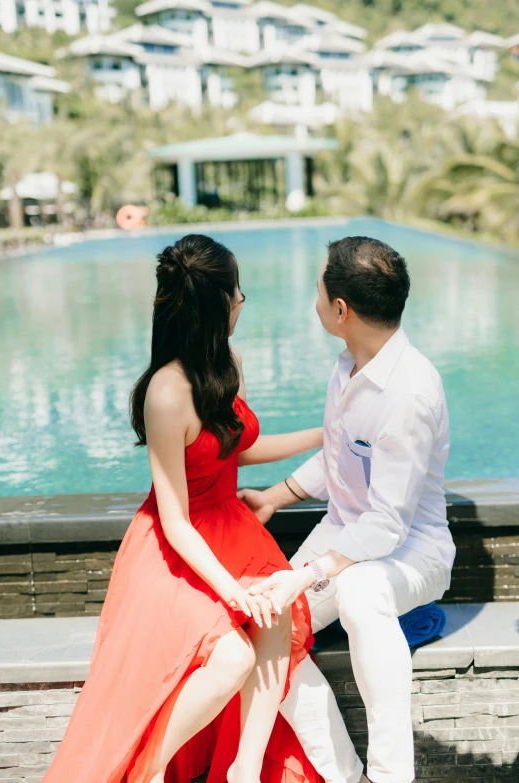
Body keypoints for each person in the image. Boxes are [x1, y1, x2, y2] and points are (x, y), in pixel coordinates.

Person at [42, 234, 324, 783]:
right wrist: (232, 589)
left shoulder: (228, 362)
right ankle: (147, 773)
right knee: (233, 657)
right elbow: (173, 519)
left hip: (228, 527)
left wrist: (323, 434)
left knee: (275, 611)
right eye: (237, 293)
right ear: (219, 303)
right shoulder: (166, 393)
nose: (242, 301)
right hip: (175, 546)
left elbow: (236, 445)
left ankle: (244, 771)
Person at [239, 236, 456, 783]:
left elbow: (386, 524)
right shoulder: (350, 363)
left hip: (414, 550)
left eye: (319, 289)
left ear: (341, 310)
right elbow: (339, 452)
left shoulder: (407, 394)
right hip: (344, 535)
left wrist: (306, 576)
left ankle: (389, 777)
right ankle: (345, 776)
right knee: (265, 631)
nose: (313, 298)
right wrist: (274, 497)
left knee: (361, 590)